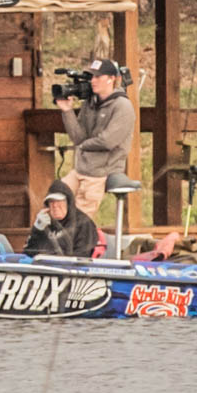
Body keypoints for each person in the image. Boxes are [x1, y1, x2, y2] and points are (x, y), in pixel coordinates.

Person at [54, 57, 135, 219]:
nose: (93, 81)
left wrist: (83, 146)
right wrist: (67, 111)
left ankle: (76, 243)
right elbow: (78, 138)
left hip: (101, 173)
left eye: (98, 76)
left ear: (112, 79)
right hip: (80, 170)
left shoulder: (122, 106)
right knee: (54, 202)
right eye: (92, 76)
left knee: (78, 220)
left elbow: (108, 141)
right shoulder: (90, 103)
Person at [24, 178, 100, 257]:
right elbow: (28, 254)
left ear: (68, 202)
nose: (55, 205)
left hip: (70, 268)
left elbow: (83, 256)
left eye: (59, 201)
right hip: (44, 267)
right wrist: (37, 230)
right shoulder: (45, 224)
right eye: (51, 201)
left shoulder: (83, 223)